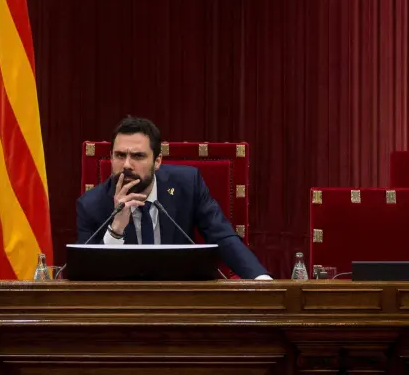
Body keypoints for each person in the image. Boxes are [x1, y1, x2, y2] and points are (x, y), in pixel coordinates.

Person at [76, 116, 271, 280]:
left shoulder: (188, 185)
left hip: (180, 297)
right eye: (119, 155)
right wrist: (116, 229)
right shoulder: (91, 205)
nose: (127, 165)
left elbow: (222, 236)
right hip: (123, 302)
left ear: (157, 161)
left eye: (138, 156)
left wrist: (261, 280)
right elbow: (87, 276)